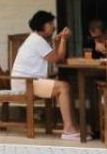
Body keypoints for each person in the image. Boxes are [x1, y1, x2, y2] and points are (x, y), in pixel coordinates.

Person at [10, 10, 81, 140]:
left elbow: (55, 55)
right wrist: (63, 39)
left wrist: (58, 41)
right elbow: (58, 58)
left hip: (30, 81)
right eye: (49, 24)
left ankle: (73, 127)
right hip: (26, 83)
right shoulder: (36, 41)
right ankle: (69, 130)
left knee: (65, 86)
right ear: (40, 25)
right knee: (63, 87)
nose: (53, 26)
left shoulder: (37, 39)